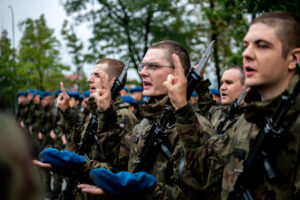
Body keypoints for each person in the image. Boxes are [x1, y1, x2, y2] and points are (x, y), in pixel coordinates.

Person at [180, 11, 300, 200]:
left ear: (294, 59)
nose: (246, 54)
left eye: (262, 46)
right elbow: (206, 165)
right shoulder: (247, 121)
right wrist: (180, 106)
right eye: (246, 46)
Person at [77, 40, 215, 199]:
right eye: (143, 66)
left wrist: (139, 190)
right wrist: (106, 114)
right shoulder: (146, 122)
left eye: (153, 66)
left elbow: (192, 195)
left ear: (177, 73)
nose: (143, 72)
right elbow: (118, 160)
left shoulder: (195, 127)